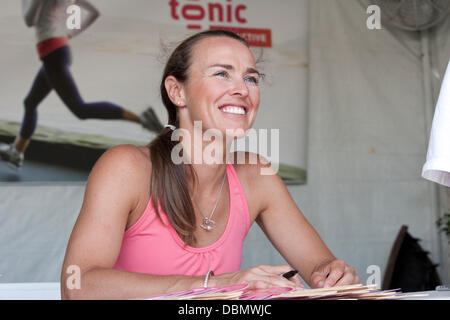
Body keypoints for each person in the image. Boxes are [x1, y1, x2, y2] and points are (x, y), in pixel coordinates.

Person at [60, 29, 360, 300]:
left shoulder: (257, 175)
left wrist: (331, 275)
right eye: (221, 74)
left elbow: (319, 268)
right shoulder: (126, 168)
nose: (242, 89)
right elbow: (78, 286)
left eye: (251, 78)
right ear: (177, 92)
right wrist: (214, 285)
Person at [0, 0, 163, 171]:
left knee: (80, 109)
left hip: (53, 55)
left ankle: (141, 118)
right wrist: (68, 34)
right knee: (31, 102)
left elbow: (29, 19)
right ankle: (17, 151)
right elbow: (92, 12)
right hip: (56, 51)